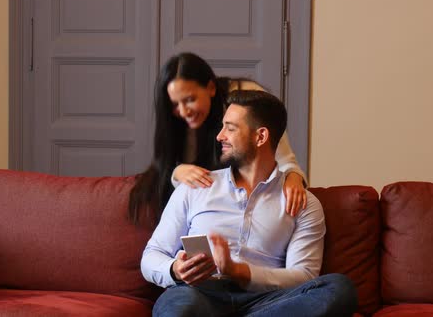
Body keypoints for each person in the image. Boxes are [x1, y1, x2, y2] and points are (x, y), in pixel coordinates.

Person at [140, 90, 357, 316]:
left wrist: (239, 271)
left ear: (260, 137)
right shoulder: (194, 188)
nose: (220, 136)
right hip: (200, 294)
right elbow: (152, 255)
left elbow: (303, 275)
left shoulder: (303, 202)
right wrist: (175, 269)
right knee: (177, 306)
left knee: (338, 289)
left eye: (231, 128)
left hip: (267, 301)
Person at [128, 52, 307, 224]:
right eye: (175, 104)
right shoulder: (180, 121)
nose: (183, 112)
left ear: (211, 88)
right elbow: (169, 169)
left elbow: (284, 159)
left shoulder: (245, 101)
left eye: (190, 99)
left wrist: (293, 177)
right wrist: (176, 173)